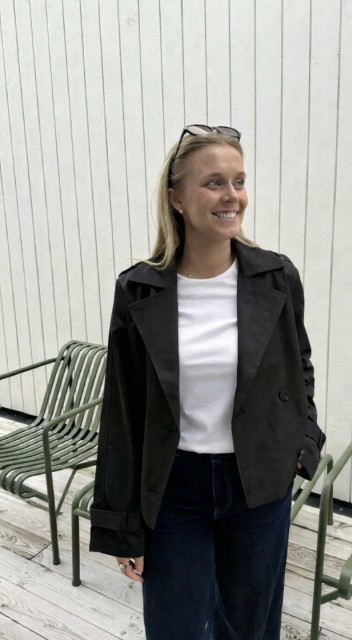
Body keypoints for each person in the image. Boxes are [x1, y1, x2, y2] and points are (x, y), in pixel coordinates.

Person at [90, 124, 326, 640]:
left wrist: (303, 443)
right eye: (214, 182)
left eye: (238, 181)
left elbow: (299, 365)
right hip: (174, 488)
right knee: (173, 627)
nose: (231, 195)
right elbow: (122, 412)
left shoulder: (276, 278)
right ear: (176, 198)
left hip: (258, 485)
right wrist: (121, 523)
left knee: (249, 629)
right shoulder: (139, 289)